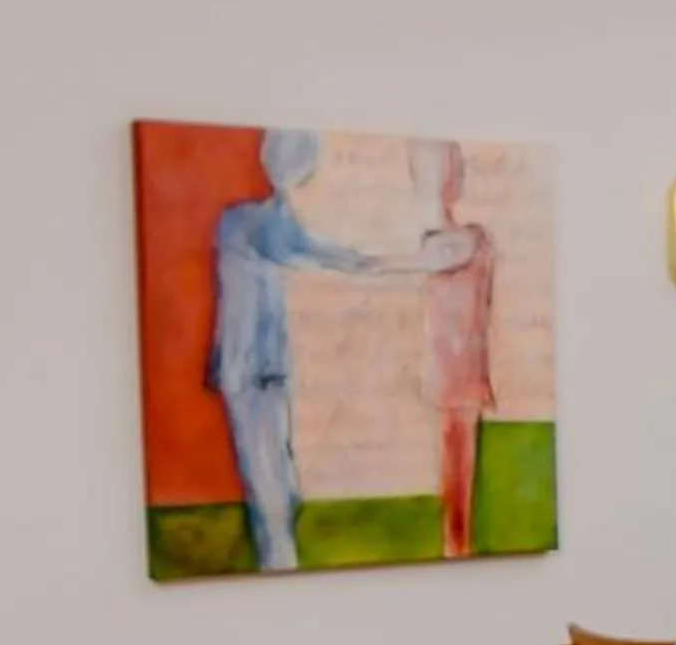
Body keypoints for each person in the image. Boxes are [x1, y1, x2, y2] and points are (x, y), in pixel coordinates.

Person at [208, 128, 389, 572]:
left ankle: (279, 555)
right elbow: (320, 256)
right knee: (269, 478)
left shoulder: (262, 219)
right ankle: (278, 563)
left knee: (280, 478)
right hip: (247, 367)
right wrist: (391, 264)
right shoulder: (254, 222)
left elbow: (314, 251)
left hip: (266, 367)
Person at [409, 139, 498, 559]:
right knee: (448, 478)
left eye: (443, 168)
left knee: (457, 481)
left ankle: (456, 550)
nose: (439, 178)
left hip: (460, 375)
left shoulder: (469, 240)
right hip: (442, 375)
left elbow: (423, 258)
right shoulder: (439, 239)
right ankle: (454, 550)